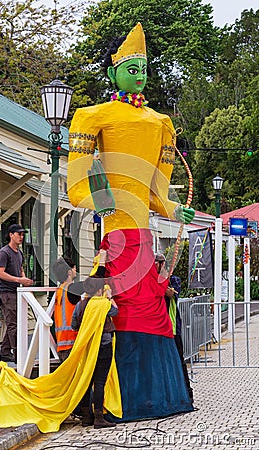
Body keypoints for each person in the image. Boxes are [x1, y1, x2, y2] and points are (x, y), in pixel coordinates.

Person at [67, 22, 194, 420]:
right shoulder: (92, 116)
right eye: (131, 68)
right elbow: (76, 185)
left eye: (144, 68)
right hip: (118, 239)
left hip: (145, 239)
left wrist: (176, 210)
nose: (139, 76)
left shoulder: (160, 123)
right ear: (112, 73)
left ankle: (160, 398)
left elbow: (157, 193)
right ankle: (109, 401)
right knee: (120, 311)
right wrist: (99, 200)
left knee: (151, 308)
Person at [71, 277, 118, 429]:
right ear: (99, 290)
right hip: (103, 347)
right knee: (99, 382)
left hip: (86, 348)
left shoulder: (80, 304)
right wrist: (109, 297)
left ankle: (86, 418)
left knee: (86, 381)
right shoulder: (103, 303)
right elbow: (116, 311)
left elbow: (73, 325)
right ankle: (99, 417)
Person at [155, 253, 194, 402]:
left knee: (179, 361)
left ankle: (187, 393)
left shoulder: (173, 280)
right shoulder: (153, 281)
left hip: (172, 329)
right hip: (158, 329)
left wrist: (164, 279)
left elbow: (172, 293)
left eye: (157, 263)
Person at [0, 224, 33, 363]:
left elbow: (21, 268)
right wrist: (19, 279)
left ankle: (5, 352)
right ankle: (19, 354)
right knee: (13, 324)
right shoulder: (4, 252)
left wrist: (24, 281)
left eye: (23, 234)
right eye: (19, 234)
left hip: (17, 291)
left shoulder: (19, 253)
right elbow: (0, 273)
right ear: (11, 235)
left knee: (14, 322)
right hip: (6, 292)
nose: (21, 237)